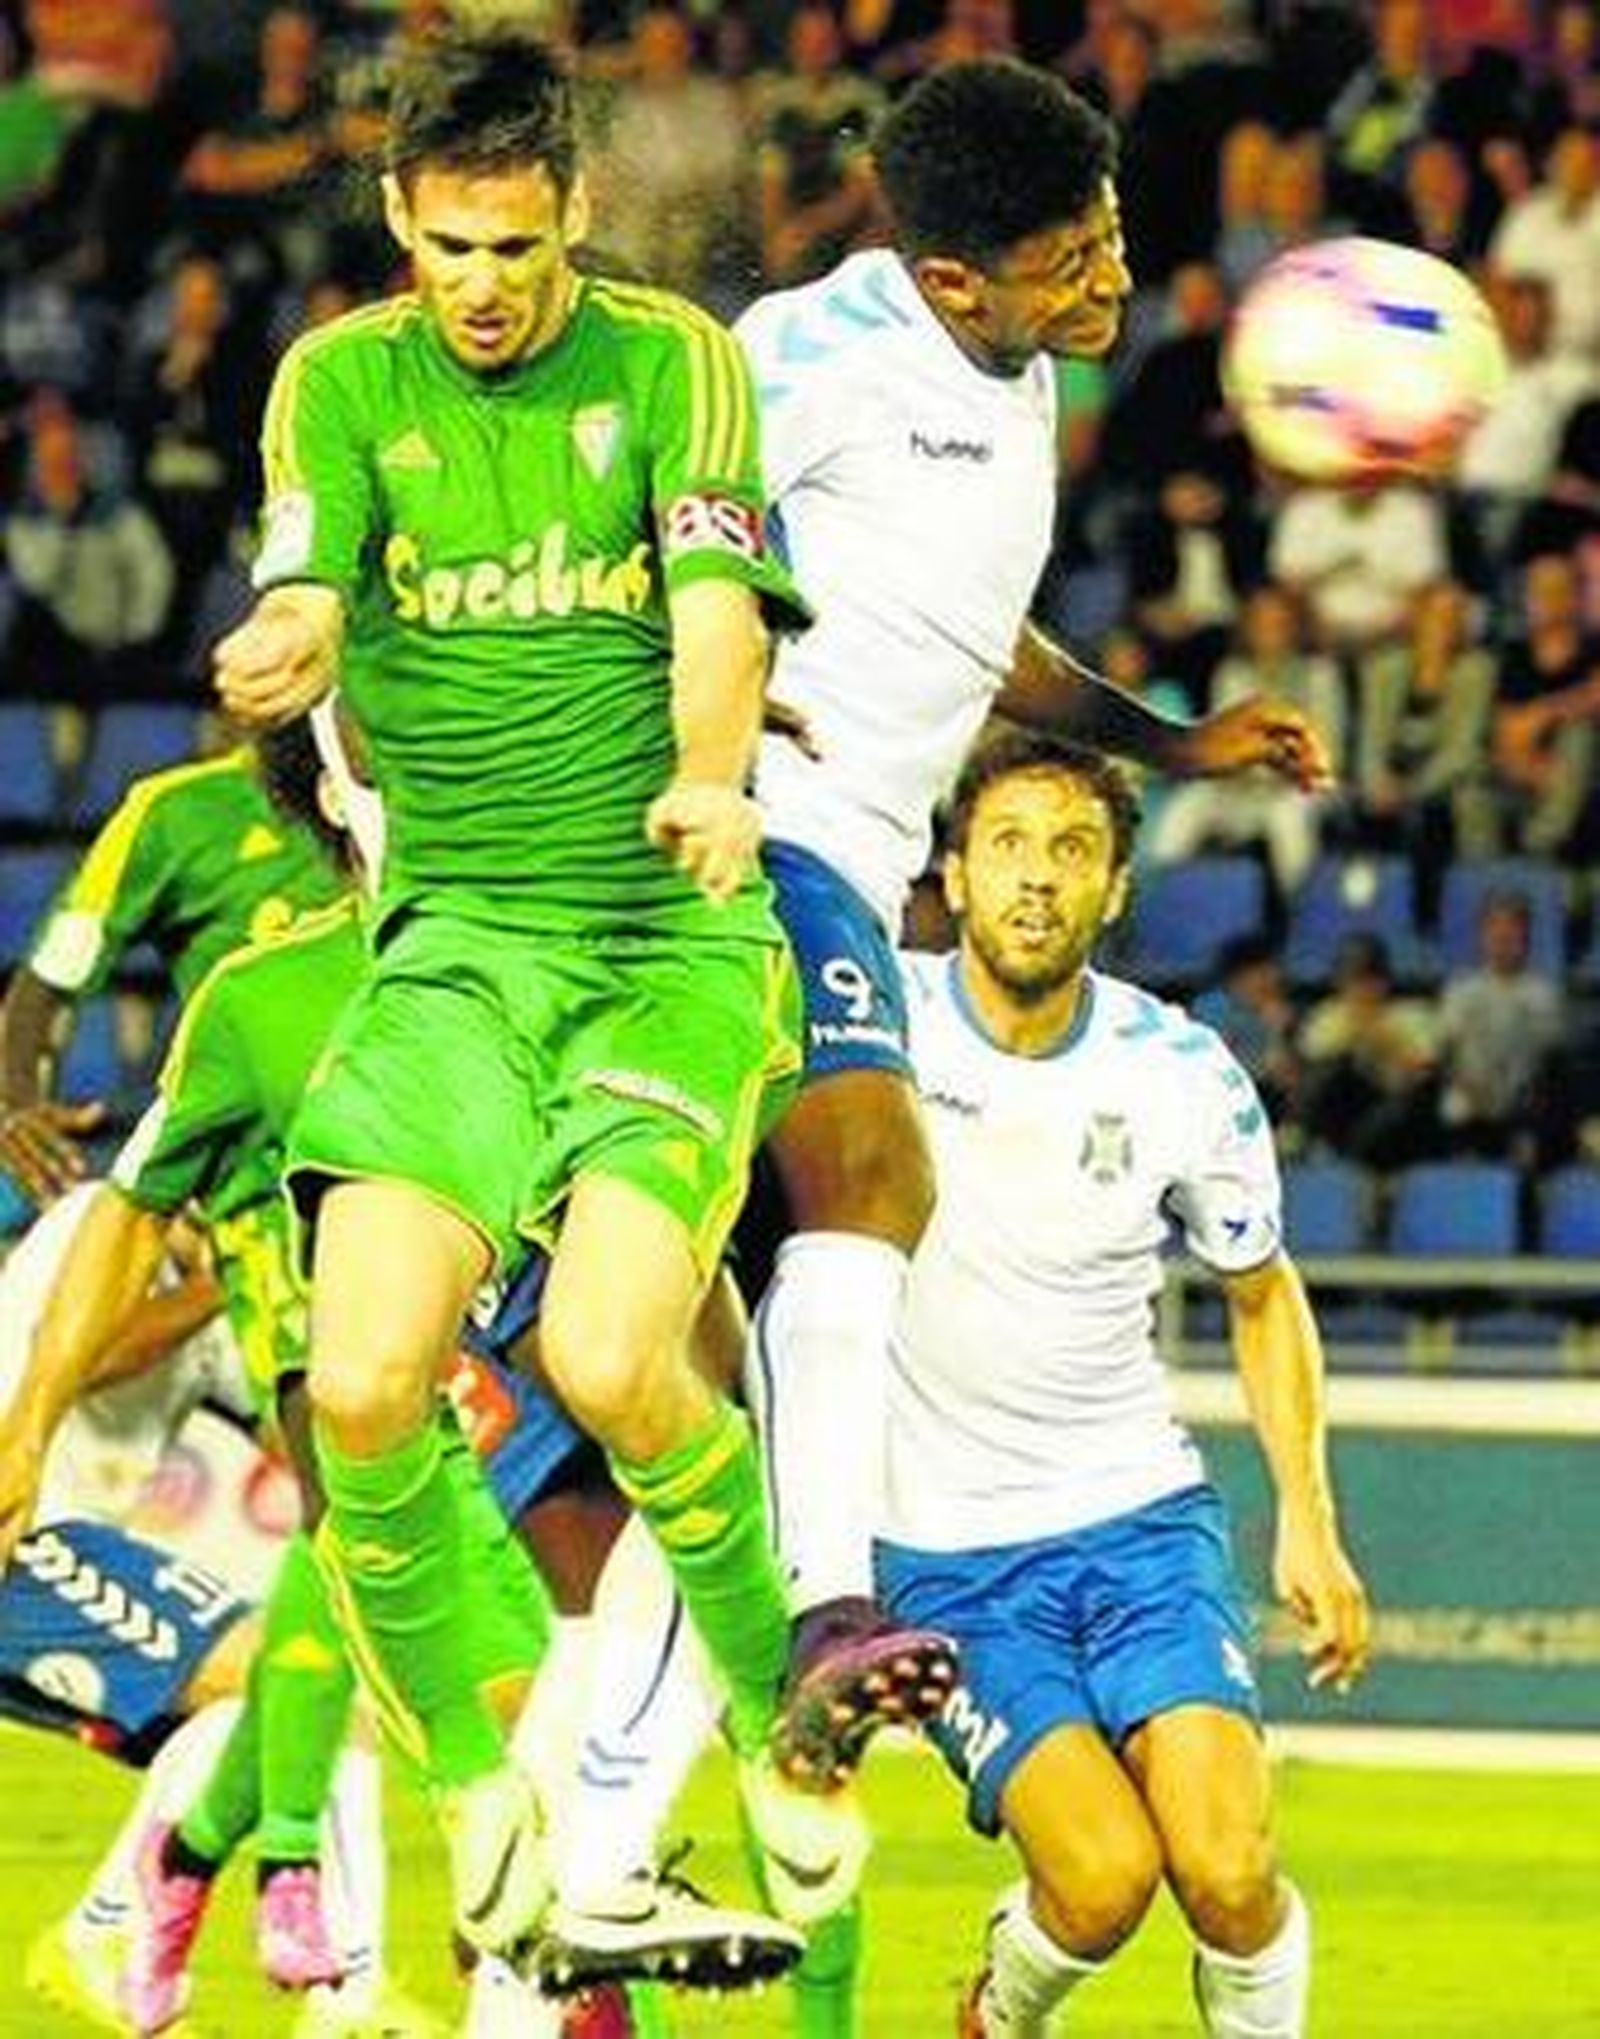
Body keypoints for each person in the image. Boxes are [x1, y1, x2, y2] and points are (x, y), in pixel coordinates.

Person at [212, 23, 811, 1962]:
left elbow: (715, 610)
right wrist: (290, 637)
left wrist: (710, 776)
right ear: (400, 214)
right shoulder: (337, 381)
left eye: (518, 249)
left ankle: (780, 1722)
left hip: (654, 933)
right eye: (449, 246)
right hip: (457, 949)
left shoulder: (673, 362)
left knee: (616, 1360)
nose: (481, 286)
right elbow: (310, 578)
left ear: (576, 213)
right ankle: (477, 1788)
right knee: (361, 1384)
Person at [733, 55, 1334, 1786]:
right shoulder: (811, 356)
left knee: (690, 1343)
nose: (1112, 276)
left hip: (854, 860)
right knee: (874, 1175)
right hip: (757, 837)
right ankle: (830, 1608)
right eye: (1071, 258)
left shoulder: (1016, 377)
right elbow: (652, 523)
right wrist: (697, 678)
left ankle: (714, 1735)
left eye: (1112, 233)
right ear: (950, 277)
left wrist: (1177, 739)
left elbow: (973, 636)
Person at [872, 731, 1370, 2039]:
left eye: (1072, 848)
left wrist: (1308, 1516)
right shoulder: (870, 1026)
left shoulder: (1181, 1071)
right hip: (945, 1553)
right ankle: (1001, 2008)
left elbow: (1261, 1290)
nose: (1038, 875)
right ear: (954, 874)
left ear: (1114, 890)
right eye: (1008, 844)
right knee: (1100, 1880)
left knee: (1228, 1869)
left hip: (1139, 1520)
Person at [0, 729, 344, 1208]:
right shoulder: (172, 812)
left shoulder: (412, 791)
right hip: (256, 1189)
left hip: (399, 1139)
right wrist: (16, 1101)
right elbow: (52, 974)